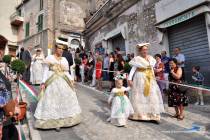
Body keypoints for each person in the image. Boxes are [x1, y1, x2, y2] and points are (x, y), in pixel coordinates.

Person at [34, 44, 82, 131]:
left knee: (64, 99)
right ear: (55, 48)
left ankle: (65, 121)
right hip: (52, 81)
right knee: (53, 100)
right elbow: (45, 71)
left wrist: (71, 80)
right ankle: (54, 122)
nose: (61, 50)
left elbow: (66, 72)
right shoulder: (49, 58)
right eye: (59, 48)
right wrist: (43, 82)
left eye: (62, 49)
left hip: (63, 81)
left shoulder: (64, 60)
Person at [128, 43, 164, 123]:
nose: (145, 51)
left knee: (152, 95)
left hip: (149, 78)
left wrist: (154, 77)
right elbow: (133, 69)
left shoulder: (151, 58)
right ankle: (141, 115)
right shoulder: (137, 58)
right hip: (139, 78)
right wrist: (129, 79)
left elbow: (151, 68)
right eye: (143, 49)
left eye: (146, 49)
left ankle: (154, 116)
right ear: (140, 51)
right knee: (140, 96)